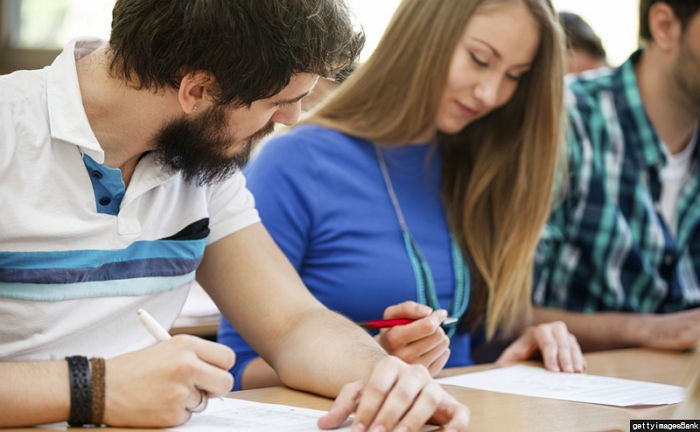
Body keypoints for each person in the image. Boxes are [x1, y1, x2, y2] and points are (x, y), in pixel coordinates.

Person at [0, 1, 470, 430]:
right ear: (199, 90)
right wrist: (94, 387)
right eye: (279, 102)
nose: (290, 119)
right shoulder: (9, 129)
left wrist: (382, 375)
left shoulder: (201, 159)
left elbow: (292, 323)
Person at [218, 0, 586, 391]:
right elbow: (238, 370)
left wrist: (520, 349)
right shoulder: (298, 161)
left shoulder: (482, 169)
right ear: (421, 38)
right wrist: (371, 363)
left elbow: (466, 347)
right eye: (479, 59)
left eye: (515, 75)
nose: (489, 93)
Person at [533, 0, 700, 351]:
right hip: (570, 394)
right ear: (665, 26)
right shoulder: (563, 120)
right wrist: (650, 330)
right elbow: (499, 313)